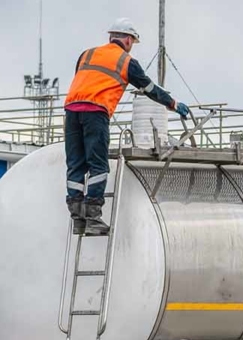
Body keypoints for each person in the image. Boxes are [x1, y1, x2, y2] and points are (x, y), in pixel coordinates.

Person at [64, 18, 190, 235]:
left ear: (110, 36)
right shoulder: (126, 62)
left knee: (75, 165)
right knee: (98, 166)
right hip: (95, 113)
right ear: (129, 40)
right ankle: (93, 217)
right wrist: (173, 104)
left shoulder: (87, 54)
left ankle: (78, 218)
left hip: (71, 111)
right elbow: (149, 88)